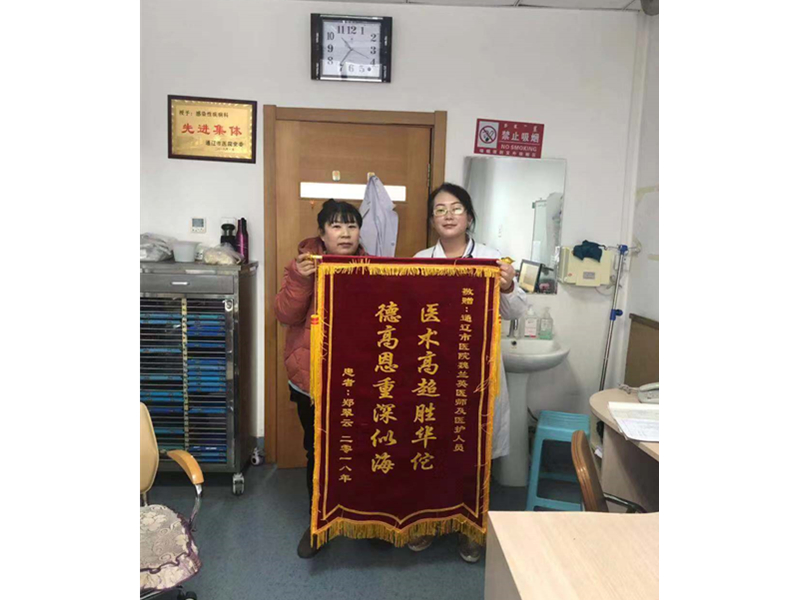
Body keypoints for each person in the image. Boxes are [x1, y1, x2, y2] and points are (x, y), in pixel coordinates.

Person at [411, 182, 528, 563]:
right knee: (431, 451)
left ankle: (470, 528)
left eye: (456, 208)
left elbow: (516, 311)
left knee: (474, 457)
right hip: (433, 373)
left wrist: (508, 286)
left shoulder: (492, 259)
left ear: (470, 216)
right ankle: (428, 522)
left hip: (476, 374)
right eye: (440, 209)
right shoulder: (420, 260)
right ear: (432, 220)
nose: (448, 215)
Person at [274, 199, 367, 559]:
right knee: (318, 450)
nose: (345, 233)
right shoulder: (302, 266)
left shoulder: (373, 268)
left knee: (362, 448)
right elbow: (284, 314)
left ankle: (363, 517)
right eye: (336, 226)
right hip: (311, 380)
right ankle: (319, 522)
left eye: (352, 226)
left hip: (358, 381)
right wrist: (301, 279)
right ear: (322, 233)